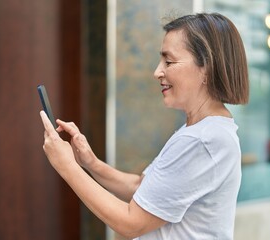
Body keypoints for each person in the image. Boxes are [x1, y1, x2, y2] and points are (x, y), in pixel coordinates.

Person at [40, 12, 249, 240]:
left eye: (169, 62)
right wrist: (90, 163)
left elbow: (131, 223)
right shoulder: (200, 131)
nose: (157, 71)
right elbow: (144, 188)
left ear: (206, 68)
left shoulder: (203, 140)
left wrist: (66, 166)